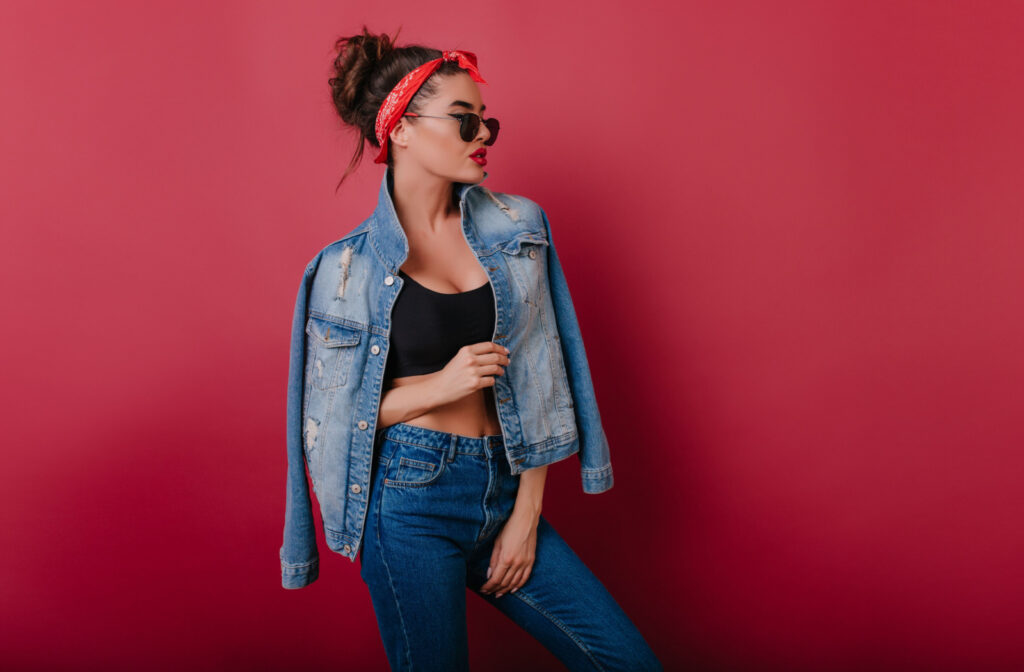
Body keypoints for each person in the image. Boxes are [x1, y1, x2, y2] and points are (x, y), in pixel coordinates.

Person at [282, 25, 662, 671]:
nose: (482, 135)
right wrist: (438, 386)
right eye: (464, 121)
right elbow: (325, 426)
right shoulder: (341, 273)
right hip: (407, 502)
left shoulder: (520, 228)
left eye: (488, 123)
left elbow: (541, 373)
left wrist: (526, 512)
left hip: (506, 485)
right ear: (399, 128)